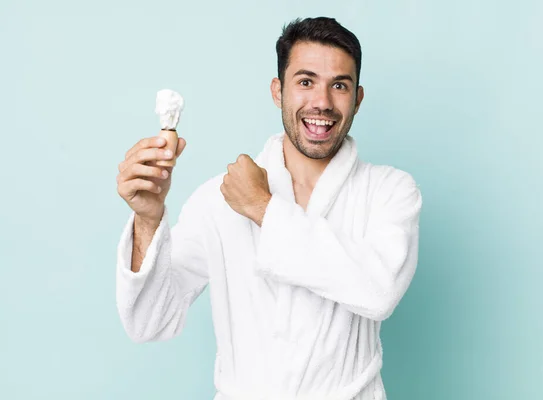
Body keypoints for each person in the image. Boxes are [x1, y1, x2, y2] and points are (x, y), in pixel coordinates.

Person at [115, 16, 422, 400]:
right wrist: (148, 219)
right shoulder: (219, 198)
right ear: (278, 91)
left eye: (339, 86)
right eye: (305, 82)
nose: (322, 103)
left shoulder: (390, 192)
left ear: (357, 99)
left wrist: (263, 207)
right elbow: (149, 321)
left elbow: (378, 291)